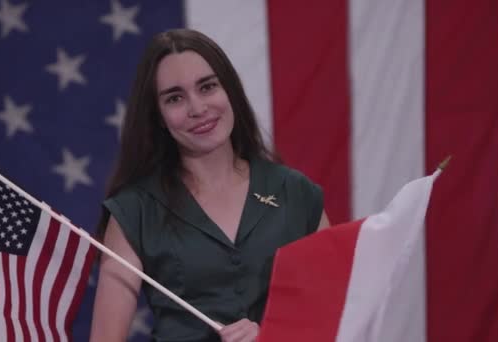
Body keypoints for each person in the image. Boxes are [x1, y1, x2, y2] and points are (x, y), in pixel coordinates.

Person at [90, 28, 330, 342]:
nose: (198, 108)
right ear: (159, 116)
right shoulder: (134, 210)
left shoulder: (296, 193)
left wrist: (276, 334)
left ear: (229, 89)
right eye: (175, 98)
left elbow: (339, 313)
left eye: (207, 87)